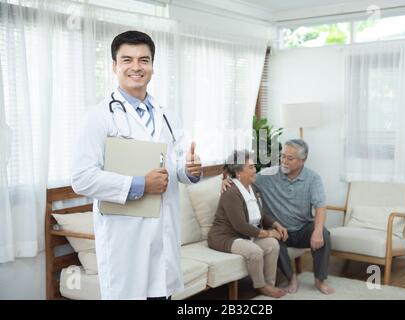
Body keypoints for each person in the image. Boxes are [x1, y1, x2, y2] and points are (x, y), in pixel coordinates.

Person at [71, 30, 202, 300]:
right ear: (114, 66)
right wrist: (140, 184)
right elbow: (82, 178)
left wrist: (189, 171)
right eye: (127, 59)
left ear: (152, 66)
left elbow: (175, 164)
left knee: (160, 295)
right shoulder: (98, 117)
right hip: (125, 241)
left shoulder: (168, 116)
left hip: (162, 239)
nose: (136, 67)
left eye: (144, 60)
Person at [222, 139, 334, 295]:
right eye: (283, 156)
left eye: (290, 158)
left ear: (303, 160)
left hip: (302, 228)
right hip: (279, 229)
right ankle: (291, 278)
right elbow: (245, 179)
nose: (284, 161)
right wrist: (228, 180)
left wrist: (318, 230)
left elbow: (320, 206)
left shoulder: (313, 178)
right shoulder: (267, 175)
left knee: (324, 234)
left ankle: (319, 280)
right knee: (274, 241)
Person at [208, 150, 289, 298]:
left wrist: (275, 224)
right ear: (239, 172)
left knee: (272, 245)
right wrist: (268, 233)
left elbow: (260, 215)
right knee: (255, 251)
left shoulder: (253, 189)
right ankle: (261, 286)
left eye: (254, 167)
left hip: (244, 235)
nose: (255, 170)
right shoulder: (231, 192)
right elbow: (240, 226)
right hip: (225, 237)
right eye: (250, 167)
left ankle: (269, 283)